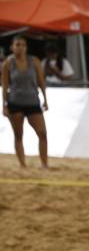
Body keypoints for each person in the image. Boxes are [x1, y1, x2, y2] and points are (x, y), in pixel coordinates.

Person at [2, 35, 49, 168]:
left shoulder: (34, 61)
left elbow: (41, 81)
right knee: (18, 135)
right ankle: (23, 165)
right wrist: (4, 105)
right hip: (15, 102)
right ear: (12, 47)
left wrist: (45, 100)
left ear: (26, 47)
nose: (20, 47)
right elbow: (5, 86)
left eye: (23, 45)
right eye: (17, 45)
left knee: (42, 133)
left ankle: (44, 164)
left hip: (33, 101)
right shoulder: (8, 63)